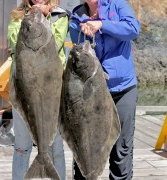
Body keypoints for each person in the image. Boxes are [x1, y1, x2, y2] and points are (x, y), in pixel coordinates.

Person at [69, 0, 141, 179]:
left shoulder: (118, 4)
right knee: (85, 151)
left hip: (123, 89)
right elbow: (82, 57)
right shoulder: (76, 18)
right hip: (91, 95)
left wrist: (102, 24)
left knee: (121, 151)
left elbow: (133, 29)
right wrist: (86, 32)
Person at [7, 0, 69, 179]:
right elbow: (13, 43)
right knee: (21, 147)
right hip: (23, 91)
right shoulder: (17, 16)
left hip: (52, 93)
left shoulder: (60, 16)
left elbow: (55, 43)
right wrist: (29, 19)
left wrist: (43, 17)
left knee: (55, 146)